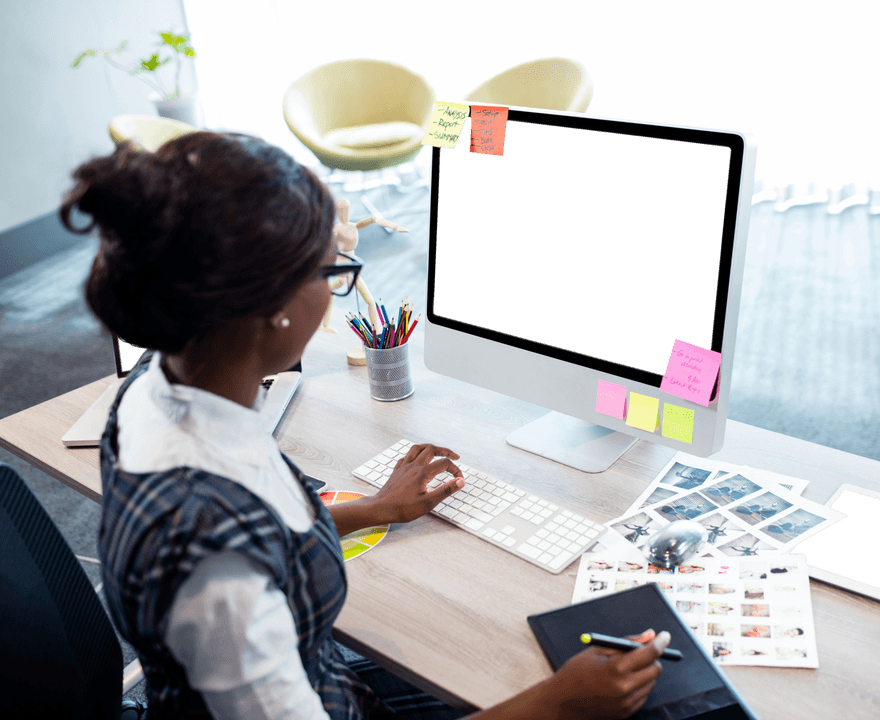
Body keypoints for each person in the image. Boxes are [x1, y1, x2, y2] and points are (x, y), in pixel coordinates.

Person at [60, 131, 668, 720]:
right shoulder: (212, 567)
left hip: (321, 677)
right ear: (272, 309)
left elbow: (263, 531)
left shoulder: (156, 393)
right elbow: (232, 555)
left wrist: (374, 508)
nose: (336, 290)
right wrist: (556, 706)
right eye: (331, 272)